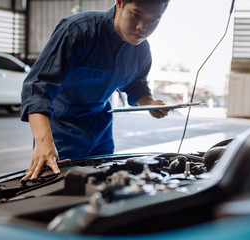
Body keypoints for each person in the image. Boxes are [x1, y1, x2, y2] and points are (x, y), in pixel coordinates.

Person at [20, 0, 170, 181]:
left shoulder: (142, 50)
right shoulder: (78, 30)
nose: (141, 28)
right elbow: (38, 85)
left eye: (153, 21)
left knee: (101, 189)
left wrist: (150, 103)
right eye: (136, 15)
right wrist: (44, 142)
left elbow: (136, 84)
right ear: (120, 3)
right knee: (60, 193)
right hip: (60, 133)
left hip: (101, 134)